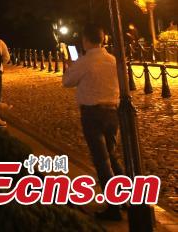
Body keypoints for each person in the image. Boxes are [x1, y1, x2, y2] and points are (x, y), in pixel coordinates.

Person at [62, 26, 123, 221]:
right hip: (113, 112)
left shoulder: (84, 61)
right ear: (102, 39)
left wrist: (70, 65)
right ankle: (126, 197)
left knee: (102, 160)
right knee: (111, 156)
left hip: (92, 114)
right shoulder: (113, 60)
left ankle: (113, 207)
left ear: (86, 40)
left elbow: (67, 81)